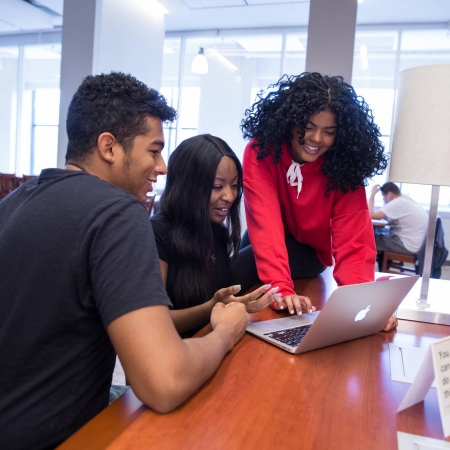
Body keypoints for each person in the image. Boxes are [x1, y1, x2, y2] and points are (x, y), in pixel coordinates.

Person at [0, 72, 278, 450]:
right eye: (153, 150)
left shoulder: (12, 205)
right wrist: (225, 332)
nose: (162, 166)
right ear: (109, 147)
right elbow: (163, 380)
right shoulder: (117, 213)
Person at [240, 72, 397, 332]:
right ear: (290, 122)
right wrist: (281, 290)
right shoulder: (261, 151)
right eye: (308, 127)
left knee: (242, 267)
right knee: (241, 265)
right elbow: (265, 221)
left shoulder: (343, 167)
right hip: (270, 237)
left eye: (328, 132)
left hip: (310, 251)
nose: (315, 139)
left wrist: (364, 305)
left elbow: (354, 241)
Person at [150, 134, 280, 337]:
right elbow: (154, 323)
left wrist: (237, 306)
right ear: (188, 186)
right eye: (217, 187)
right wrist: (213, 306)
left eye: (235, 185)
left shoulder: (215, 230)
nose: (229, 196)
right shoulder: (157, 232)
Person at [369, 182, 428, 269]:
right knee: (380, 236)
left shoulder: (397, 203)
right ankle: (383, 269)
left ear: (389, 194)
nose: (384, 199)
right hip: (417, 244)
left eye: (383, 196)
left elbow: (371, 215)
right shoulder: (405, 200)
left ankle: (380, 271)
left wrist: (372, 194)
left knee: (372, 240)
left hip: (408, 246)